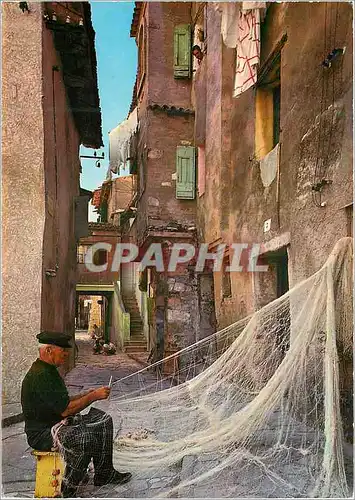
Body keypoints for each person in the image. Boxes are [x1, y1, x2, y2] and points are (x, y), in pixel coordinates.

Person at [21, 331, 132, 498]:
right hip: (43, 434)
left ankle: (105, 473)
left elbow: (59, 402)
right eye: (63, 350)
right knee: (84, 438)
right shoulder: (40, 374)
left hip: (58, 423)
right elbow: (66, 410)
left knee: (103, 420)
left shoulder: (49, 370)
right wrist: (93, 396)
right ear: (49, 350)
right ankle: (67, 489)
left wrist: (84, 394)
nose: (66, 354)